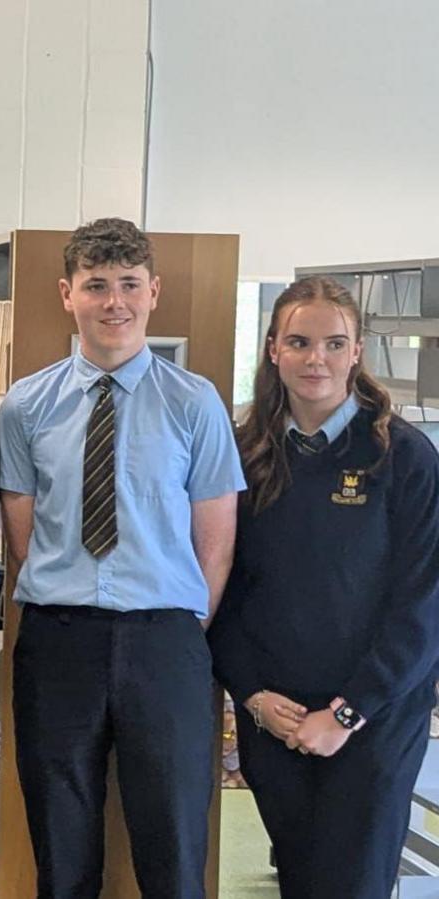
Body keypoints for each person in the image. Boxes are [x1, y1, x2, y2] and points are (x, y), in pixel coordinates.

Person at [0, 217, 245, 898]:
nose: (115, 301)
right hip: (59, 637)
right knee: (60, 837)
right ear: (67, 293)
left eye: (129, 284)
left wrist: (172, 625)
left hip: (165, 638)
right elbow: (23, 538)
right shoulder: (25, 405)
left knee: (172, 840)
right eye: (97, 285)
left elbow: (214, 545)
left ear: (154, 291)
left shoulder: (195, 404)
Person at [209, 275, 439, 899]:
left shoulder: (404, 456)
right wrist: (251, 693)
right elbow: (220, 587)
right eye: (301, 342)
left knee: (353, 883)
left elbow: (424, 604)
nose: (317, 359)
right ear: (272, 349)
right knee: (302, 881)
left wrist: (347, 712)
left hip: (371, 721)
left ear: (358, 351)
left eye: (335, 344)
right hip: (275, 718)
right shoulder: (244, 454)